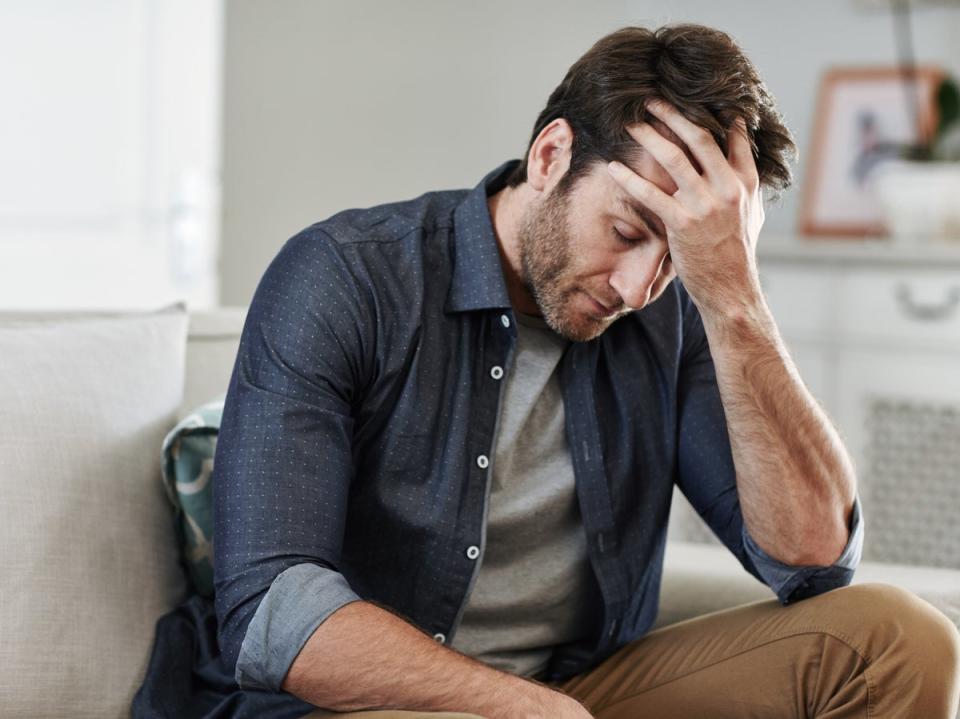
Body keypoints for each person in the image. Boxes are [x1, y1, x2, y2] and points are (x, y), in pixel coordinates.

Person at [134, 23, 960, 719]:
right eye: (631, 228)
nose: (640, 288)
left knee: (899, 638)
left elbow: (812, 562)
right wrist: (527, 708)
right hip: (353, 704)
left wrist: (734, 294)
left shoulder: (677, 308)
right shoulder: (343, 277)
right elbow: (274, 613)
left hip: (574, 695)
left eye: (680, 258)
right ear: (551, 154)